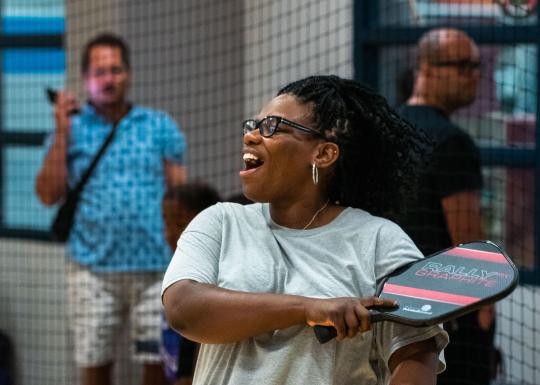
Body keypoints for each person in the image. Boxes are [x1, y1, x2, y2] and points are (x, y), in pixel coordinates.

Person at [161, 75, 449, 385]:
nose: (252, 137)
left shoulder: (381, 240)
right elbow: (182, 307)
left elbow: (417, 357)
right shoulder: (220, 221)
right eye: (252, 126)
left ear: (323, 154)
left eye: (272, 126)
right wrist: (309, 308)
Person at [35, 33, 187, 385]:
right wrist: (61, 131)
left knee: (159, 366)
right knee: (94, 366)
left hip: (155, 270)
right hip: (91, 271)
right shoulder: (70, 129)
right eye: (99, 72)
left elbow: (179, 192)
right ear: (86, 78)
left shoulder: (158, 125)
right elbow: (47, 194)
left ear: (128, 74)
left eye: (116, 70)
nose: (108, 78)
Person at [396, 28, 496, 385]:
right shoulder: (452, 141)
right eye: (462, 65)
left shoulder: (387, 130)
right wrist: (484, 319)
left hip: (391, 312)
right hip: (449, 317)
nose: (475, 75)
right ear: (426, 68)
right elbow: (470, 246)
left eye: (476, 66)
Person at [161, 183, 221, 385]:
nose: (169, 233)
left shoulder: (210, 274)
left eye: (179, 224)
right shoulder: (172, 269)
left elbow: (192, 329)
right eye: (166, 223)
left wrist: (185, 373)